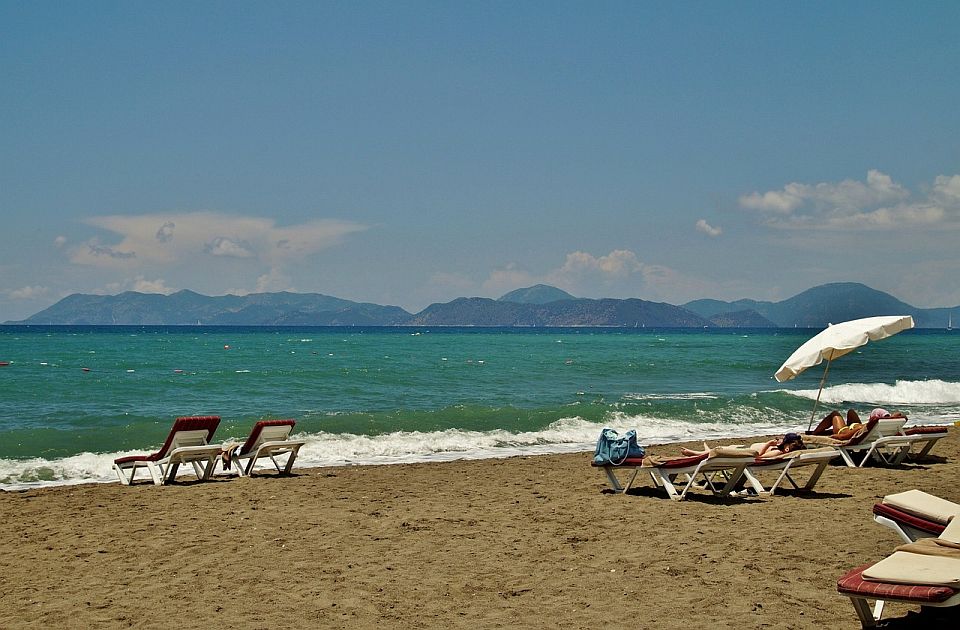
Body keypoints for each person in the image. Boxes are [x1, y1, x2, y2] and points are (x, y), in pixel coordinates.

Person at [680, 432, 805, 459]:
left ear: (787, 446)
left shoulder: (778, 453)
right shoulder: (781, 452)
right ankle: (704, 452)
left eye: (784, 440)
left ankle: (695, 454)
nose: (781, 440)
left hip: (744, 454)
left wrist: (768, 444)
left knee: (719, 450)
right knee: (720, 449)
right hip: (744, 450)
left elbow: (758, 457)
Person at [810, 407, 907, 438]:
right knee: (850, 411)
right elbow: (899, 414)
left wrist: (834, 437)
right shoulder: (882, 425)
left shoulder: (868, 427)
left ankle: (814, 433)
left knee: (834, 414)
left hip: (844, 431)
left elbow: (845, 436)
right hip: (857, 426)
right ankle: (816, 432)